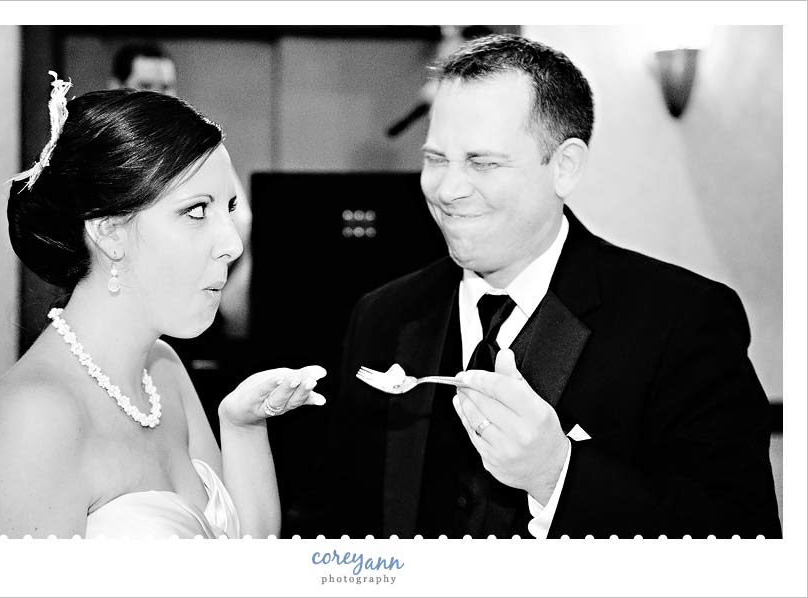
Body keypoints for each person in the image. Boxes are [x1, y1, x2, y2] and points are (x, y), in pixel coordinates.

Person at [325, 33, 781, 539]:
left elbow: (740, 537)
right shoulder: (383, 315)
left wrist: (556, 474)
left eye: (483, 162)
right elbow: (349, 516)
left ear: (564, 166)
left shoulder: (684, 320)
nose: (448, 189)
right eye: (436, 159)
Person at [0, 73, 325, 539]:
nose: (230, 243)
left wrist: (242, 426)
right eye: (196, 211)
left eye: (228, 208)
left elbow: (245, 560)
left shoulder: (163, 369)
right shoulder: (31, 419)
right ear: (108, 232)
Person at [109, 43, 253, 338]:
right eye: (146, 86)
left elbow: (242, 222)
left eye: (166, 87)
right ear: (117, 87)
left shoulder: (193, 148)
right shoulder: (105, 149)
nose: (158, 96)